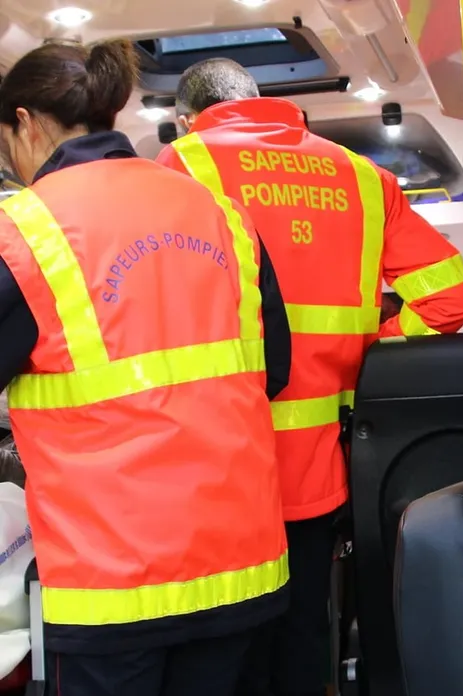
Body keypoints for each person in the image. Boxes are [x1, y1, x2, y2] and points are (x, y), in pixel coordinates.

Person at [157, 58, 463, 695]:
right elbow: (451, 300)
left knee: (225, 644)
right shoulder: (363, 177)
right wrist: (368, 347)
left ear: (185, 120)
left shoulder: (183, 166)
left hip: (219, 463)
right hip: (320, 462)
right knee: (305, 627)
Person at [0, 40, 294, 696]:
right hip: (239, 572)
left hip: (117, 589)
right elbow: (272, 371)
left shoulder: (26, 230)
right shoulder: (220, 213)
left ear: (25, 122)